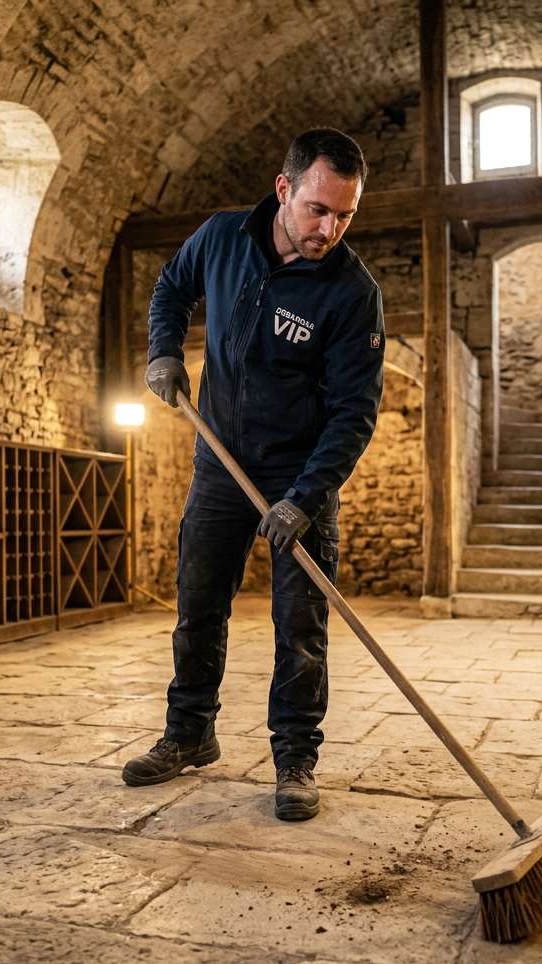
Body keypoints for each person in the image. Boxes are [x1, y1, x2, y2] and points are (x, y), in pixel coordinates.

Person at [121, 127, 385, 821]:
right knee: (198, 605)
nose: (329, 229)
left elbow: (354, 413)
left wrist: (306, 498)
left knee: (300, 626)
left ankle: (295, 757)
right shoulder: (221, 238)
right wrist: (163, 351)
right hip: (219, 463)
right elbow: (171, 289)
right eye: (318, 209)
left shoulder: (352, 292)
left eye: (345, 215)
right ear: (283, 189)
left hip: (298, 478)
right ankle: (189, 733)